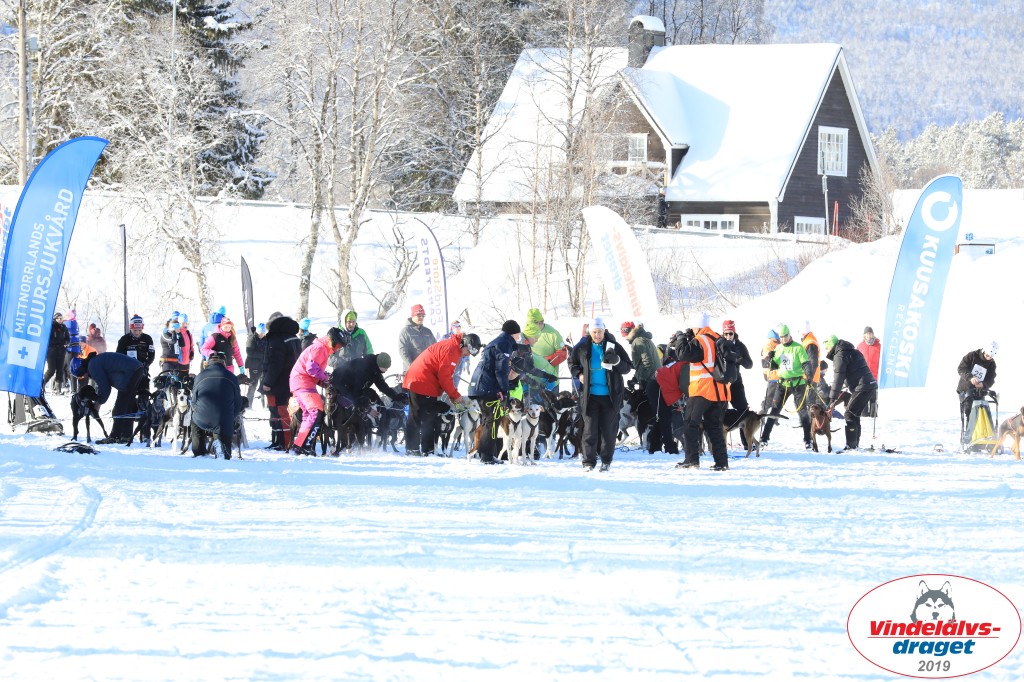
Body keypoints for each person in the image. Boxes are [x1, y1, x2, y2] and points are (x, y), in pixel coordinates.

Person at [568, 317, 633, 472]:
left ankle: (606, 461)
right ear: (590, 332)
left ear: (605, 331)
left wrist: (616, 361)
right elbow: (572, 362)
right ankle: (588, 462)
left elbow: (627, 367)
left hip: (610, 397)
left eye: (600, 332)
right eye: (595, 332)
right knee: (589, 430)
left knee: (608, 431)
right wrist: (579, 374)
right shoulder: (583, 347)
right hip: (590, 396)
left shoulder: (614, 346)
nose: (597, 335)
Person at [402, 334, 480, 456]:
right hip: (421, 380)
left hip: (424, 380)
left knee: (429, 417)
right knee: (418, 415)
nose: (468, 354)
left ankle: (427, 449)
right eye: (469, 350)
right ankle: (414, 449)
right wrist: (455, 395)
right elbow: (444, 377)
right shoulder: (451, 350)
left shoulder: (454, 348)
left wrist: (451, 395)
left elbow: (445, 375)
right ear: (464, 344)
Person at [673, 312, 729, 471]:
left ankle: (692, 460)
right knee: (714, 427)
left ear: (696, 326)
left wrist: (681, 337)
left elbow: (682, 353)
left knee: (690, 423)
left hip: (702, 389)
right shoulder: (717, 338)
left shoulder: (700, 340)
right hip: (720, 391)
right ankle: (722, 462)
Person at [468, 321, 520, 464]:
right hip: (488, 387)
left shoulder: (498, 341)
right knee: (491, 421)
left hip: (481, 386)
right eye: (518, 335)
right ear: (513, 333)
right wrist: (504, 390)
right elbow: (501, 369)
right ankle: (487, 457)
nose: (519, 338)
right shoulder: (504, 343)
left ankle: (486, 455)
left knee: (488, 420)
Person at [289, 327, 346, 455]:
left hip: (301, 381)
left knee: (309, 414)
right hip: (302, 382)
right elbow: (311, 369)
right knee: (316, 410)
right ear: (333, 341)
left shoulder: (321, 348)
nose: (338, 348)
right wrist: (325, 377)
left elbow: (313, 372)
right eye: (338, 345)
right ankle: (305, 445)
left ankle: (299, 445)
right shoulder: (320, 349)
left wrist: (324, 382)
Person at [69, 352, 147, 445]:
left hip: (131, 372)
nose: (83, 377)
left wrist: (98, 402)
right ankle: (126, 436)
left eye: (80, 375)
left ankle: (115, 437)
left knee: (119, 408)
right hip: (136, 369)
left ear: (81, 369)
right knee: (127, 405)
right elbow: (102, 384)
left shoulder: (92, 366)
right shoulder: (94, 362)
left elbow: (105, 387)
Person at [759, 324, 814, 449]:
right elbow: (773, 366)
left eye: (785, 336)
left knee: (803, 411)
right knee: (774, 411)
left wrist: (809, 377)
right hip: (783, 384)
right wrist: (771, 360)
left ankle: (807, 439)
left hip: (798, 384)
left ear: (789, 335)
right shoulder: (779, 348)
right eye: (781, 337)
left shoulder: (798, 348)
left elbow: (806, 363)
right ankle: (764, 438)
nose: (783, 339)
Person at [822, 335, 878, 452]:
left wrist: (832, 399)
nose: (826, 351)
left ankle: (851, 446)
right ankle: (854, 445)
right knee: (854, 414)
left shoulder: (840, 355)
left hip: (862, 387)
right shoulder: (852, 351)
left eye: (827, 348)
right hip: (870, 385)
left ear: (832, 347)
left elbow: (838, 378)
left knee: (849, 414)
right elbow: (853, 371)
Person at [190, 351, 245, 459]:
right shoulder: (232, 377)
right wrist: (231, 416)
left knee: (195, 421)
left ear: (208, 362)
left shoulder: (200, 376)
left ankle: (199, 451)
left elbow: (194, 401)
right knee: (223, 423)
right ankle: (222, 447)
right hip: (223, 420)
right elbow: (238, 403)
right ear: (224, 363)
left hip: (202, 418)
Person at [260, 313, 302, 451]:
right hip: (292, 381)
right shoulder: (294, 337)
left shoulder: (276, 340)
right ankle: (279, 441)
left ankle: (283, 443)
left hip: (277, 383)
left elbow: (275, 364)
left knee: (278, 412)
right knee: (283, 412)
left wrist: (267, 382)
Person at [719, 319, 754, 449]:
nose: (728, 336)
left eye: (730, 334)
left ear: (734, 333)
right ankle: (719, 443)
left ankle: (746, 442)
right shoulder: (718, 344)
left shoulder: (739, 346)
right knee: (719, 411)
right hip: (721, 383)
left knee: (743, 411)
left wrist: (739, 359)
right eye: (726, 333)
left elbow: (750, 364)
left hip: (735, 383)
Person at [956, 341, 998, 442]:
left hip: (979, 391)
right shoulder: (972, 356)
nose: (989, 358)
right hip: (965, 390)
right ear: (984, 352)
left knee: (980, 412)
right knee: (969, 412)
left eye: (991, 357)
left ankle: (981, 437)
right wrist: (970, 377)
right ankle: (968, 438)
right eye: (987, 356)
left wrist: (984, 384)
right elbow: (961, 368)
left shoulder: (992, 364)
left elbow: (991, 378)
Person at [523, 308, 565, 392]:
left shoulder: (553, 333)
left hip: (549, 379)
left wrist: (545, 362)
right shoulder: (526, 334)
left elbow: (563, 353)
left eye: (541, 322)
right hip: (530, 382)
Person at [621, 321, 661, 394]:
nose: (624, 338)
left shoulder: (638, 341)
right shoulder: (641, 339)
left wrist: (642, 379)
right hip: (653, 377)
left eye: (624, 335)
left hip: (651, 380)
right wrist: (635, 379)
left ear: (628, 332)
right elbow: (641, 364)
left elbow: (648, 363)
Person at [398, 304, 436, 372]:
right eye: (419, 315)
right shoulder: (406, 331)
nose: (421, 317)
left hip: (427, 369)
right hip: (412, 370)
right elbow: (402, 351)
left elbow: (435, 348)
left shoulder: (427, 331)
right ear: (413, 316)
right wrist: (411, 366)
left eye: (423, 315)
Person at [798, 320, 826, 407]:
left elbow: (813, 363)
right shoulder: (808, 341)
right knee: (807, 403)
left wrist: (809, 378)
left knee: (809, 404)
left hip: (810, 378)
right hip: (809, 376)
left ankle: (811, 420)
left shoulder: (810, 343)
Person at [43, 312, 71, 394]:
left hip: (61, 352)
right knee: (51, 370)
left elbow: (67, 338)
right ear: (55, 319)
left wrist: (65, 342)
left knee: (60, 370)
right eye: (59, 318)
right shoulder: (51, 326)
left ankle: (57, 389)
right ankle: (42, 385)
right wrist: (60, 342)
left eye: (62, 318)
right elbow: (49, 339)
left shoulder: (64, 327)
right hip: (51, 352)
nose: (61, 320)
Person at [159, 313, 192, 379]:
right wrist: (174, 332)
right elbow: (172, 341)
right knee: (167, 382)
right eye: (176, 327)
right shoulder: (165, 334)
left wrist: (179, 333)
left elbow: (182, 344)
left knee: (176, 385)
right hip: (167, 361)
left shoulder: (176, 335)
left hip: (176, 362)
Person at [244, 323, 267, 407]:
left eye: (263, 333)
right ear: (257, 332)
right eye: (260, 333)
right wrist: (263, 355)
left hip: (263, 365)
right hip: (254, 365)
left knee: (264, 384)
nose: (261, 335)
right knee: (253, 384)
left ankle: (264, 405)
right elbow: (250, 352)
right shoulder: (252, 338)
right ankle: (248, 404)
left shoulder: (266, 338)